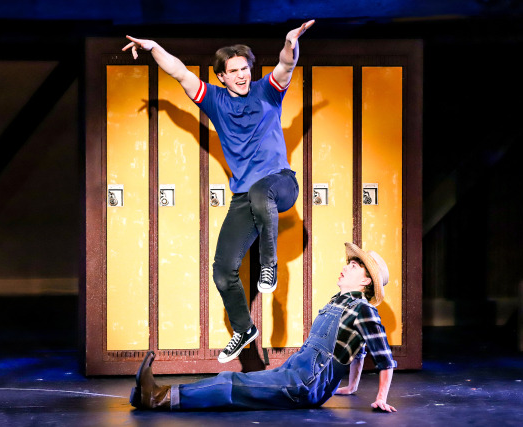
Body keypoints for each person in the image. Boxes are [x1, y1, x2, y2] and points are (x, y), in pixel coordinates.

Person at [123, 20, 315, 363]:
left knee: (261, 191)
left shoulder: (267, 91)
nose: (241, 75)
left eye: (245, 69)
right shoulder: (213, 101)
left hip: (280, 184)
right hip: (245, 197)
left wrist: (290, 42)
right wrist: (153, 47)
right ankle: (244, 328)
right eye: (234, 71)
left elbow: (286, 64)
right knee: (223, 269)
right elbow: (180, 73)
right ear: (221, 77)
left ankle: (267, 264)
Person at [129, 242, 397, 413]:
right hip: (295, 370)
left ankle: (157, 398)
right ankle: (151, 393)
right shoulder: (339, 301)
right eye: (347, 264)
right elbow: (358, 352)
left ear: (365, 281)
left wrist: (381, 398)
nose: (344, 268)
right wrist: (351, 388)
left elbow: (384, 358)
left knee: (231, 382)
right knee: (235, 382)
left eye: (351, 267)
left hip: (305, 384)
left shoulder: (365, 310)